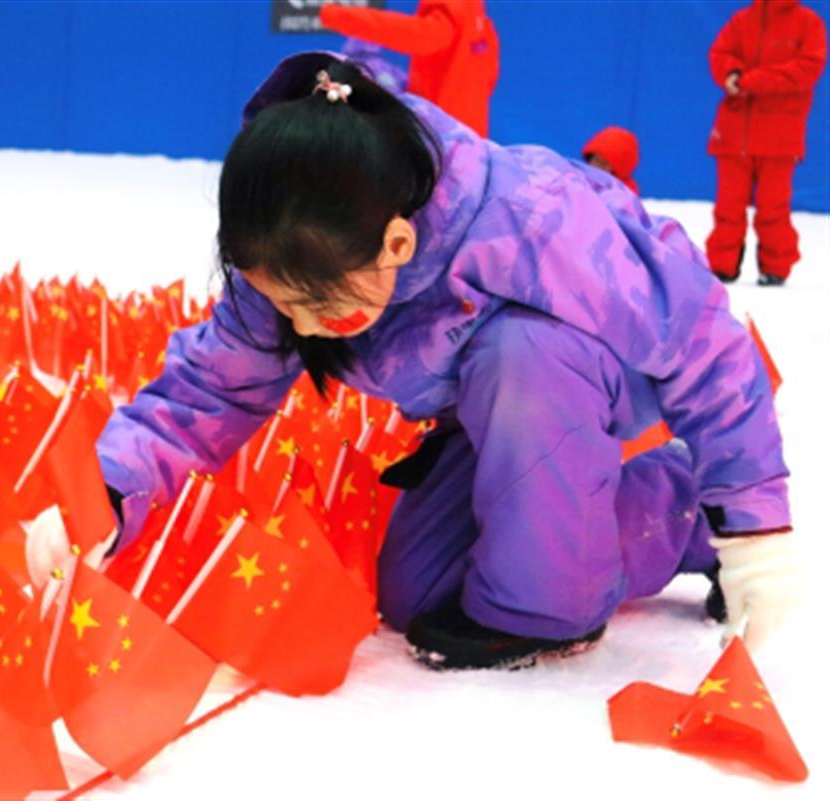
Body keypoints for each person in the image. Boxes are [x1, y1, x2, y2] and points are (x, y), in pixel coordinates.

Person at [40, 53, 796, 672]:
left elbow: (704, 345)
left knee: (523, 387)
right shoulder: (297, 248)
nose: (302, 326)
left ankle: (555, 604)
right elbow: (207, 390)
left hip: (581, 373)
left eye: (321, 306)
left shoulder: (537, 223)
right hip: (490, 406)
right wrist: (104, 493)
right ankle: (678, 513)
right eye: (284, 304)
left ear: (398, 242)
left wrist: (756, 531)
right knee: (420, 592)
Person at [706, 0, 827, 286]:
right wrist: (731, 73)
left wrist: (750, 81)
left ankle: (775, 267)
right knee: (728, 206)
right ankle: (722, 265)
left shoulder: (808, 23)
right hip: (734, 132)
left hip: (780, 136)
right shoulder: (742, 20)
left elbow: (806, 70)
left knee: (773, 206)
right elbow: (720, 54)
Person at [319, 0, 499, 137]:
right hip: (470, 136)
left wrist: (337, 16)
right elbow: (489, 75)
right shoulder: (477, 16)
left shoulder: (453, 10)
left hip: (442, 136)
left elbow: (421, 36)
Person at [582, 126, 640, 196]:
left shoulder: (625, 196)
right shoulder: (579, 182)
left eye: (603, 164)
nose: (595, 167)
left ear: (618, 172)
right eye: (595, 160)